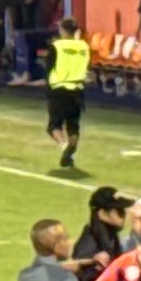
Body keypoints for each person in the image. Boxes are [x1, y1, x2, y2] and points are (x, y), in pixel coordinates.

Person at [44, 14, 94, 173]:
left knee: (54, 126)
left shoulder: (56, 46)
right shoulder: (84, 47)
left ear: (62, 30)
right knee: (73, 125)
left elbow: (49, 67)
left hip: (59, 89)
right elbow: (87, 66)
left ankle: (65, 146)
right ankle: (71, 149)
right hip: (77, 90)